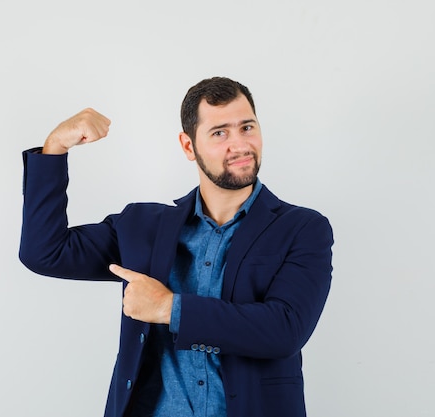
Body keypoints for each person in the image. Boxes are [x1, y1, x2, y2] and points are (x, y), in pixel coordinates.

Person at [19, 77, 334, 417]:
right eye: (220, 133)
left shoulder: (302, 228)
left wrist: (170, 308)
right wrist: (55, 148)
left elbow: (284, 331)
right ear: (188, 146)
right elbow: (44, 252)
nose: (240, 145)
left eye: (247, 127)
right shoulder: (142, 226)